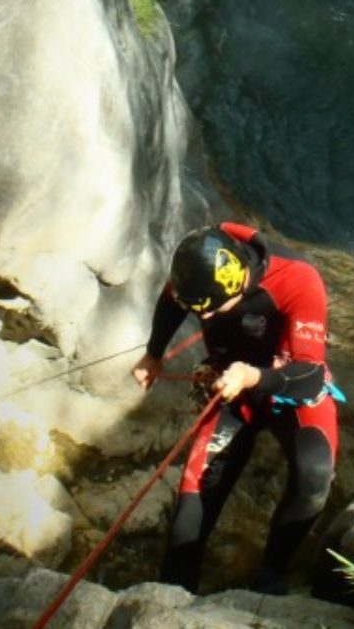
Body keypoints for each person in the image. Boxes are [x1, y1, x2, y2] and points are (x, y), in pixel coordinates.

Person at [132, 222, 340, 593]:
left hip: (285, 382)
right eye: (200, 312)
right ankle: (171, 599)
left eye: (212, 309)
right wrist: (153, 354)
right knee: (190, 509)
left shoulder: (298, 280)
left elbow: (309, 376)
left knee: (315, 472)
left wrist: (254, 377)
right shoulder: (200, 267)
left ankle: (271, 575)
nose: (207, 319)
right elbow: (171, 301)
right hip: (231, 386)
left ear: (238, 281)